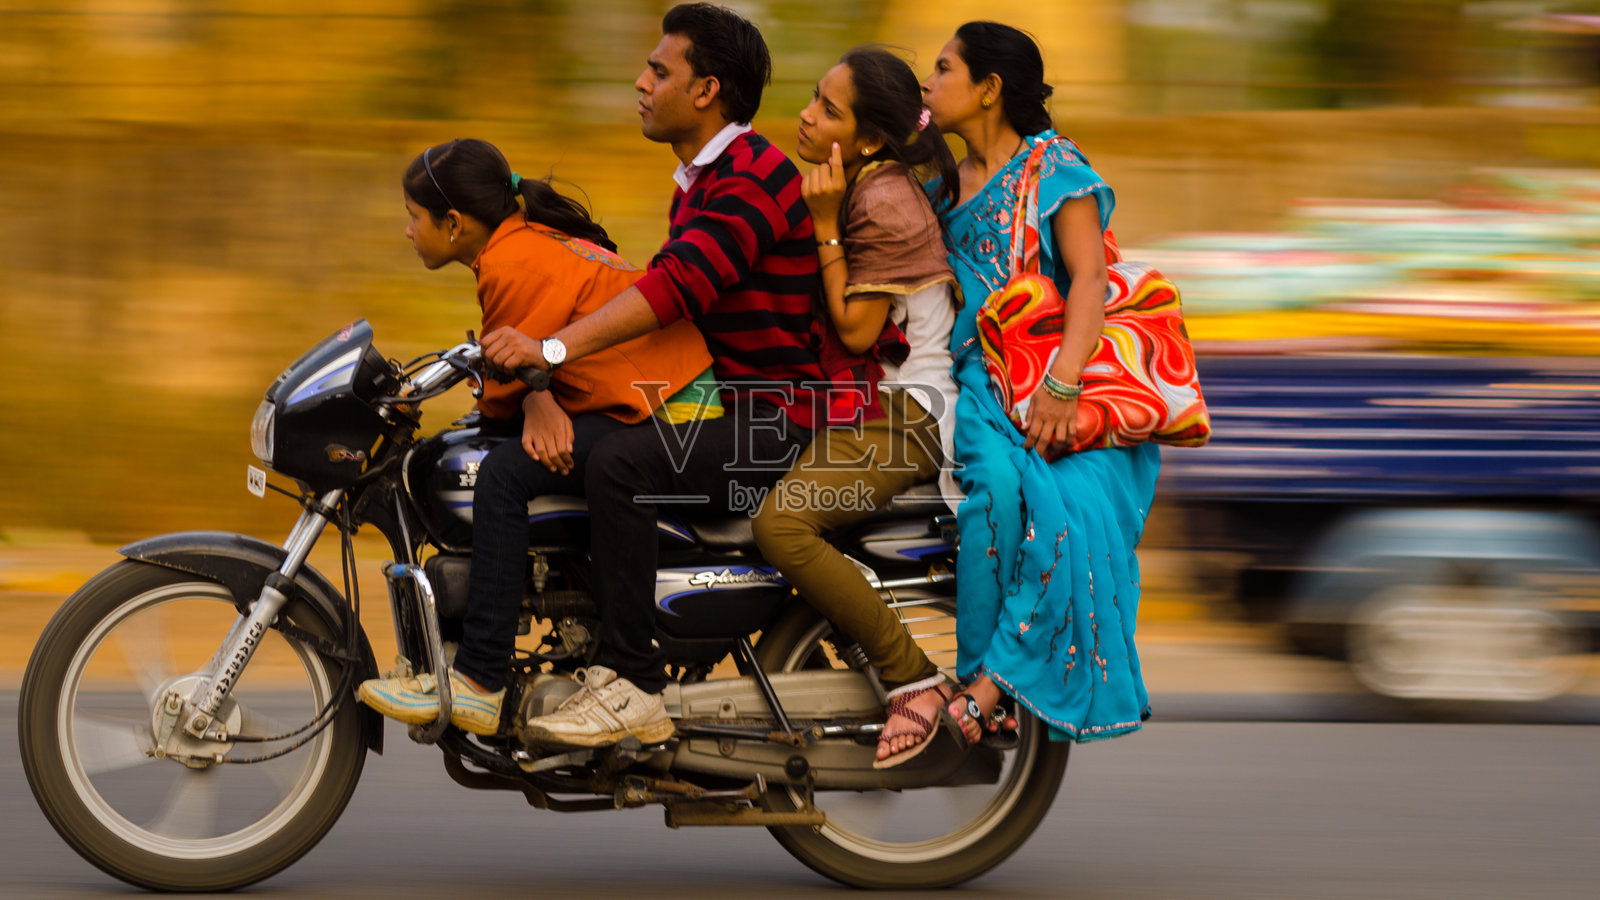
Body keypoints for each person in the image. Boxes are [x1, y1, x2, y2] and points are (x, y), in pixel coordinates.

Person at [483, 4, 864, 748]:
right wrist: (540, 387)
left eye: (659, 71)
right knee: (514, 462)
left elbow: (674, 288)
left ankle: (633, 682)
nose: (640, 81)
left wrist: (553, 350)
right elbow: (643, 294)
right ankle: (520, 664)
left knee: (623, 465)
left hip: (777, 419)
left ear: (706, 91)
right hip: (717, 406)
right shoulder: (702, 179)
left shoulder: (756, 176)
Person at [358, 138, 711, 735]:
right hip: (645, 392)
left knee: (499, 477)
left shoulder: (510, 263)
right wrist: (528, 395)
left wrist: (527, 398)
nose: (407, 231)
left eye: (413, 217)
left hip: (670, 407)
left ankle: (480, 679)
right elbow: (519, 375)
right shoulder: (518, 244)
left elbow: (511, 390)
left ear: (453, 222)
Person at [922, 22, 1162, 743]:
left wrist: (1060, 387)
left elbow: (1089, 277)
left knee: (1066, 516)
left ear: (988, 89)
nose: (928, 85)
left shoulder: (1055, 167)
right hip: (982, 386)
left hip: (1067, 385)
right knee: (991, 494)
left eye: (942, 70)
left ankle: (990, 691)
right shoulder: (937, 189)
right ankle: (981, 679)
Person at [750, 47, 962, 768]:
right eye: (813, 97)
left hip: (912, 416)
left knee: (781, 522)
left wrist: (823, 220)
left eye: (829, 111)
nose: (807, 116)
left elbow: (858, 329)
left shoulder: (878, 200)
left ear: (869, 138)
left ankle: (913, 679)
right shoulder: (874, 180)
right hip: (878, 404)